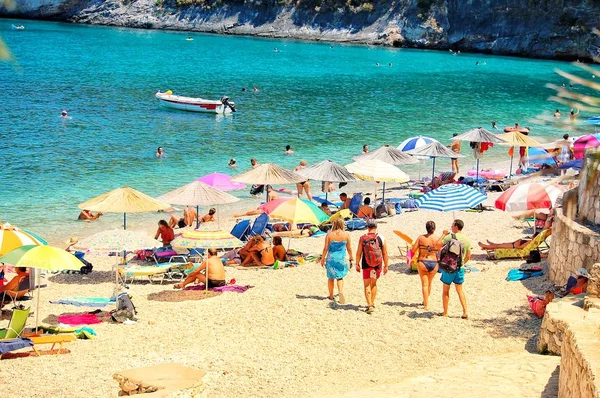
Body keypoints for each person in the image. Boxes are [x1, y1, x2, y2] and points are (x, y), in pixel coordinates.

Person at [438, 219, 471, 319]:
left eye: (452, 225)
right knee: (460, 290)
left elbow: (437, 244)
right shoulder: (466, 240)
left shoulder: (450, 237)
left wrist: (443, 234)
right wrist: (461, 264)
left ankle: (445, 312)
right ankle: (465, 312)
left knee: (446, 290)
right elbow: (468, 256)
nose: (451, 227)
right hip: (460, 268)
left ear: (456, 226)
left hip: (449, 267)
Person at [355, 220, 389, 313]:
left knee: (366, 285)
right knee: (373, 284)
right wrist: (386, 266)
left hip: (366, 265)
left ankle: (369, 304)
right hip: (377, 265)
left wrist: (357, 264)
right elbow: (385, 253)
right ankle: (372, 303)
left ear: (368, 227)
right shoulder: (381, 238)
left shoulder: (363, 238)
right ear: (376, 227)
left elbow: (358, 253)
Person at [412, 221, 444, 310]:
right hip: (434, 263)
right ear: (434, 228)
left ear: (426, 228)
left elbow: (413, 249)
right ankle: (425, 300)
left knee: (424, 285)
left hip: (423, 261)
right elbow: (440, 251)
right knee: (429, 283)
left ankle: (426, 304)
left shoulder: (421, 238)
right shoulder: (437, 239)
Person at [321, 217, 353, 304]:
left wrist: (322, 258)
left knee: (331, 278)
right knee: (340, 277)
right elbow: (349, 248)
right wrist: (351, 257)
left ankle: (331, 296)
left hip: (331, 258)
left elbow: (325, 248)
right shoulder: (346, 235)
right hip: (341, 258)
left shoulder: (329, 235)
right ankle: (340, 292)